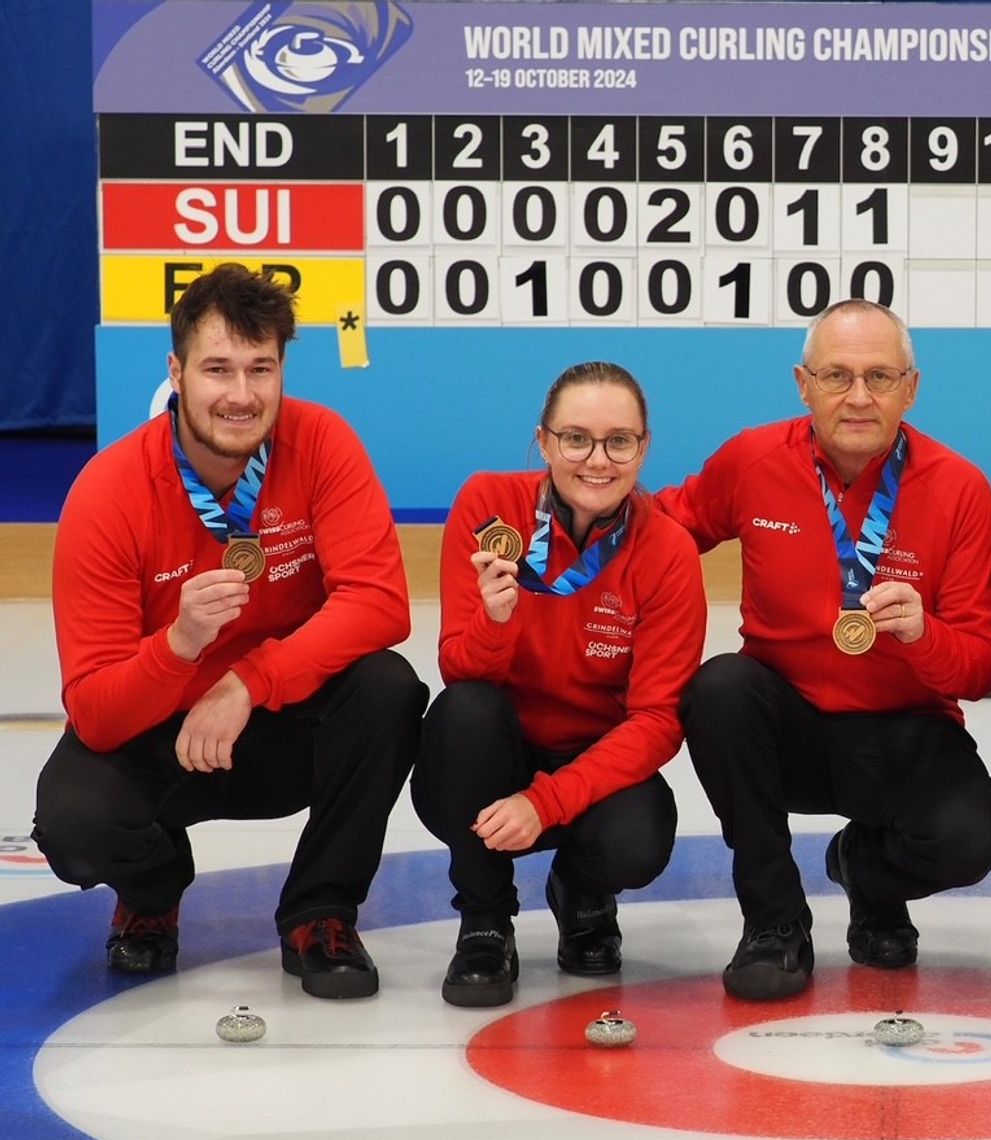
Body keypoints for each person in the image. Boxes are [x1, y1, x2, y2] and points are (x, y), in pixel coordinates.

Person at [34, 263, 427, 999]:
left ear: (283, 368)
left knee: (387, 689)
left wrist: (250, 679)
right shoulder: (109, 490)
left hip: (276, 720)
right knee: (73, 822)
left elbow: (380, 603)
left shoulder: (323, 443)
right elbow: (93, 708)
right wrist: (178, 645)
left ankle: (321, 912)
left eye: (261, 368)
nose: (241, 395)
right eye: (218, 369)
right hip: (160, 734)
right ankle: (152, 891)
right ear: (176, 371)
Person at [661, 299, 991, 1001]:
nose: (857, 396)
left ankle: (866, 874)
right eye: (837, 375)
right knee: (721, 688)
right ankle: (774, 921)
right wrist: (547, 532)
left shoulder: (960, 486)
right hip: (782, 726)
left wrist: (923, 632)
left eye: (879, 376)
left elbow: (977, 669)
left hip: (906, 726)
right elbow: (656, 534)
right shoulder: (753, 459)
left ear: (911, 388)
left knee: (972, 842)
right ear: (802, 383)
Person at [410, 362, 706, 1007]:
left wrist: (547, 803)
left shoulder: (667, 550)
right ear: (543, 443)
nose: (597, 460)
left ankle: (583, 893)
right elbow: (460, 672)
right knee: (464, 713)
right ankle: (484, 919)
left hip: (591, 764)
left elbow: (658, 720)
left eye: (618, 441)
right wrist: (495, 622)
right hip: (494, 752)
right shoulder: (490, 506)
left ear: (644, 447)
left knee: (638, 840)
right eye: (576, 438)